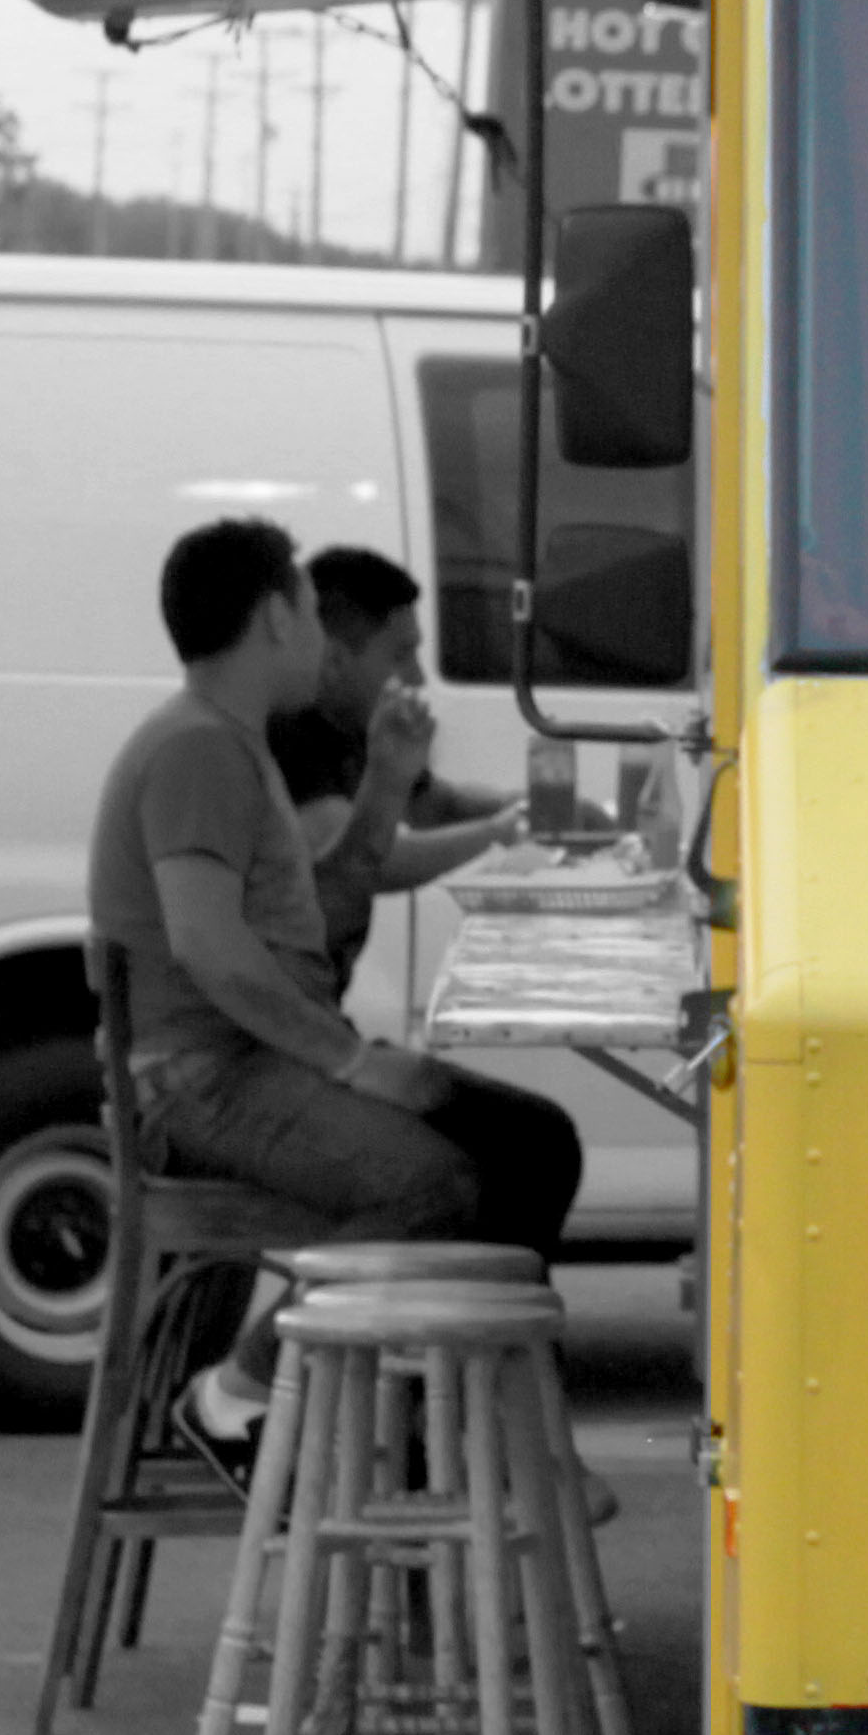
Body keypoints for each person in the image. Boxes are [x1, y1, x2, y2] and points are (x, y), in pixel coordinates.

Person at [88, 523, 585, 1334]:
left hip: (254, 1061)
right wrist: (352, 1062)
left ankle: (464, 1408)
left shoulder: (234, 744)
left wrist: (387, 785)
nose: (323, 642)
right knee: (439, 1190)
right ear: (279, 620)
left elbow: (330, 909)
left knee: (531, 1144)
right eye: (314, 613)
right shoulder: (197, 751)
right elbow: (208, 947)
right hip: (203, 1081)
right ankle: (245, 1399)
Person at [266, 547, 524, 990]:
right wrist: (503, 832)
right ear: (336, 658)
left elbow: (434, 805)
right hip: (265, 1029)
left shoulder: (356, 724)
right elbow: (363, 863)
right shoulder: (288, 732)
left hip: (310, 1010)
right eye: (401, 655)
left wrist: (523, 804)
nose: (419, 677)